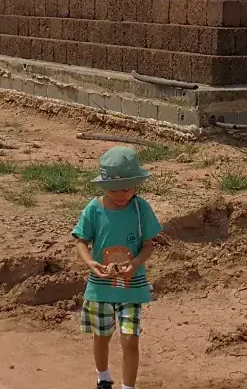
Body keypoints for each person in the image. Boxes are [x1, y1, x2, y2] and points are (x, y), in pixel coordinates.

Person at [71, 146, 162, 389]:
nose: (121, 194)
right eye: (114, 190)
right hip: (100, 287)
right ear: (103, 187)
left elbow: (148, 246)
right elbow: (81, 241)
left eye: (126, 189)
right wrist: (90, 263)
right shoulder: (94, 209)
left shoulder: (141, 209)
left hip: (131, 286)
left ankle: (128, 387)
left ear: (136, 185)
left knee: (131, 339)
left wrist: (135, 264)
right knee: (101, 336)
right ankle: (103, 377)